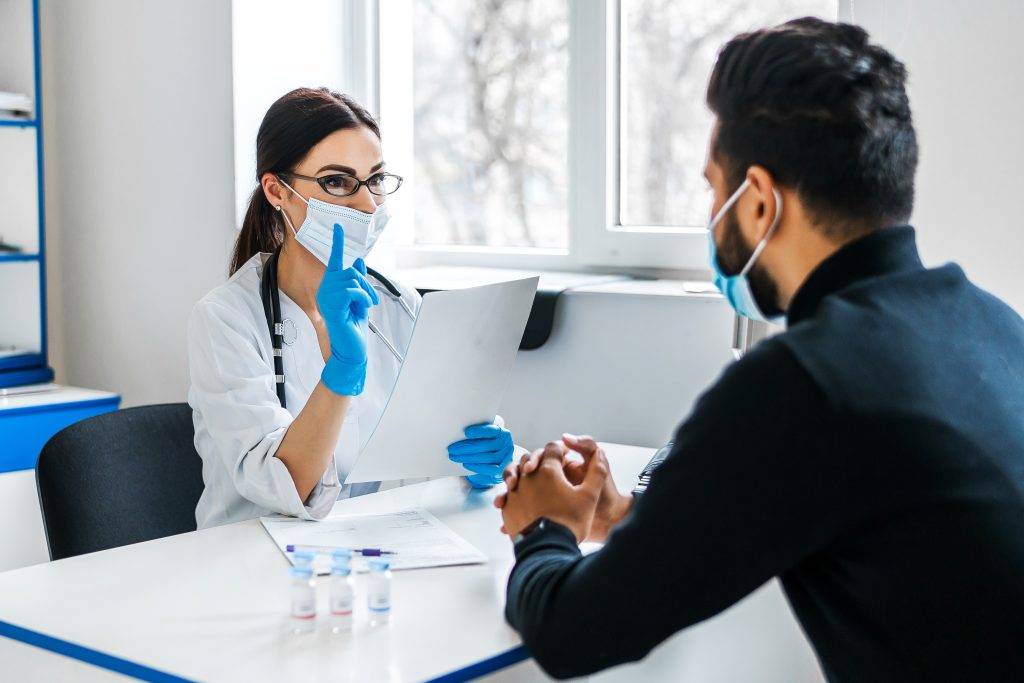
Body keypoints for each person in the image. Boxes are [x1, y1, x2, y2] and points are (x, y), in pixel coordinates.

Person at [496, 18, 1024, 682]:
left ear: (759, 202)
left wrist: (541, 530)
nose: (711, 211)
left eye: (713, 188)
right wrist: (629, 519)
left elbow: (572, 634)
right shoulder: (994, 325)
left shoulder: (808, 378)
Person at [187, 88, 519, 529]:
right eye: (337, 182)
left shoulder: (400, 305)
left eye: (375, 180)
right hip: (250, 552)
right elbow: (285, 486)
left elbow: (428, 445)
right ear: (276, 191)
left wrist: (483, 456)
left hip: (373, 542)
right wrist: (341, 372)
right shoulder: (226, 320)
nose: (366, 204)